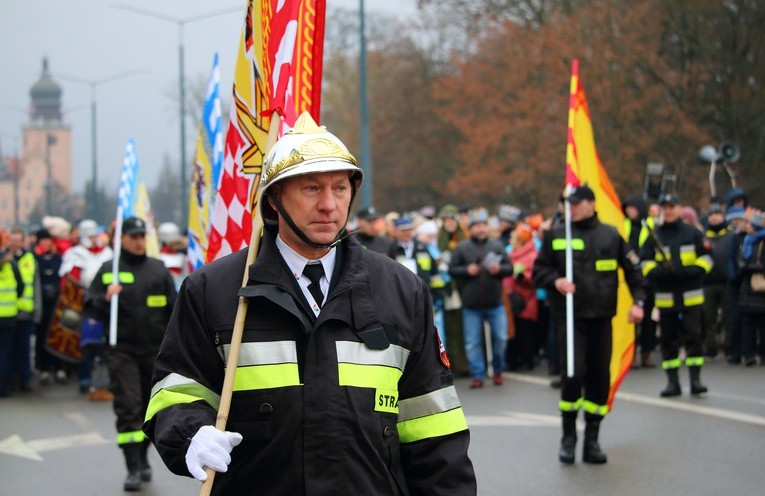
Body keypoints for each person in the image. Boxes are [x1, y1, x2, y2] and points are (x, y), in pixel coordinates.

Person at [143, 113, 476, 495]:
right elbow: (175, 390)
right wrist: (191, 433)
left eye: (340, 188)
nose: (329, 205)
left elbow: (433, 422)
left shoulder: (402, 290)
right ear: (274, 199)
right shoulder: (213, 290)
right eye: (311, 189)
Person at [533, 185, 646, 465]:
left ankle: (592, 440)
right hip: (570, 318)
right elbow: (539, 270)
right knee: (572, 375)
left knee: (598, 378)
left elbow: (634, 272)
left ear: (591, 204)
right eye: (568, 204)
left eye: (576, 203)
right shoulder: (557, 234)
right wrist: (555, 281)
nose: (570, 208)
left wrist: (639, 303)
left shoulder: (610, 235)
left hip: (601, 318)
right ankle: (568, 438)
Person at [84, 216, 177, 491]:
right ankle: (133, 467)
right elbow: (90, 308)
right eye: (133, 236)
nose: (139, 241)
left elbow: (175, 311)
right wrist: (106, 298)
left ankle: (144, 457)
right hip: (121, 351)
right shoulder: (108, 270)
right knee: (128, 409)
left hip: (154, 352)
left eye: (142, 236)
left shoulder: (159, 270)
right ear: (121, 239)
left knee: (151, 411)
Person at [640, 194, 713, 397]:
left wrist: (693, 272)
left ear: (680, 209)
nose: (669, 211)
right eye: (665, 208)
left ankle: (696, 380)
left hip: (691, 294)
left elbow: (707, 257)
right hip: (666, 296)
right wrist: (660, 273)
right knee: (668, 341)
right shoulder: (655, 235)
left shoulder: (692, 233)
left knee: (694, 338)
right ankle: (673, 383)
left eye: (672, 207)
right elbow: (644, 263)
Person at [449, 207, 513, 388]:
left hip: (495, 302)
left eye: (483, 225)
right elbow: (452, 270)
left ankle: (498, 370)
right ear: (470, 228)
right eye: (476, 226)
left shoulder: (497, 246)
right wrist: (467, 271)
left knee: (501, 338)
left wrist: (499, 270)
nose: (480, 229)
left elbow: (510, 268)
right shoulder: (462, 247)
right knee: (472, 342)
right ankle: (478, 375)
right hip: (471, 304)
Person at [61, 219, 114, 398]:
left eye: (94, 235)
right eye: (89, 236)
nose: (93, 239)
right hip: (85, 303)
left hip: (105, 302)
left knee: (105, 345)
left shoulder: (107, 253)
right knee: (88, 344)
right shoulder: (75, 253)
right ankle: (84, 379)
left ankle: (103, 382)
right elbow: (70, 281)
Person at [622, 196, 657, 367]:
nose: (630, 211)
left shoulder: (651, 226)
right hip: (629, 279)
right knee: (630, 320)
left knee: (648, 319)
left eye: (633, 208)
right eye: (628, 208)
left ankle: (647, 352)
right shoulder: (623, 225)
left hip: (648, 278)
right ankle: (632, 353)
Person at [8, 227, 41, 392]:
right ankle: (11, 379)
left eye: (17, 240)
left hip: (26, 311)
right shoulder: (5, 260)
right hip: (8, 312)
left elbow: (35, 286)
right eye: (12, 240)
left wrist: (37, 309)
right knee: (9, 349)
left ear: (23, 242)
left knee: (24, 348)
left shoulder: (30, 258)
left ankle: (25, 379)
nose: (15, 244)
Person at [32, 228, 66, 385]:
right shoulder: (34, 258)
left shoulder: (57, 257)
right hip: (41, 304)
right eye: (43, 239)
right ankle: (43, 367)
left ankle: (58, 368)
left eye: (48, 239)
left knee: (56, 337)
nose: (46, 242)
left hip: (55, 303)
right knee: (41, 337)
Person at [504, 223, 539, 371]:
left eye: (514, 237)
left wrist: (522, 276)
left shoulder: (532, 255)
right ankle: (513, 360)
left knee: (525, 332)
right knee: (513, 331)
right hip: (510, 297)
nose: (510, 239)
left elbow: (535, 276)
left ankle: (527, 360)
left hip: (526, 299)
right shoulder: (510, 253)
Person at [701, 203, 734, 357]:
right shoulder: (703, 236)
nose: (714, 217)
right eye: (711, 214)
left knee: (728, 317)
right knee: (709, 318)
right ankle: (710, 347)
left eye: (717, 214)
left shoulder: (730, 235)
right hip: (708, 283)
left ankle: (729, 346)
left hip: (726, 282)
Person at [735, 208, 765, 365]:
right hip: (747, 289)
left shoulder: (762, 242)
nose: (745, 225)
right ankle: (749, 354)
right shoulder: (745, 241)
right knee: (748, 324)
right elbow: (739, 262)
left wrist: (749, 267)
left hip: (761, 290)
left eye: (749, 222)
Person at [0, 243, 24, 398]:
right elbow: (20, 288)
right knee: (5, 352)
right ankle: (4, 386)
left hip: (8, 317)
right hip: (8, 316)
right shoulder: (12, 266)